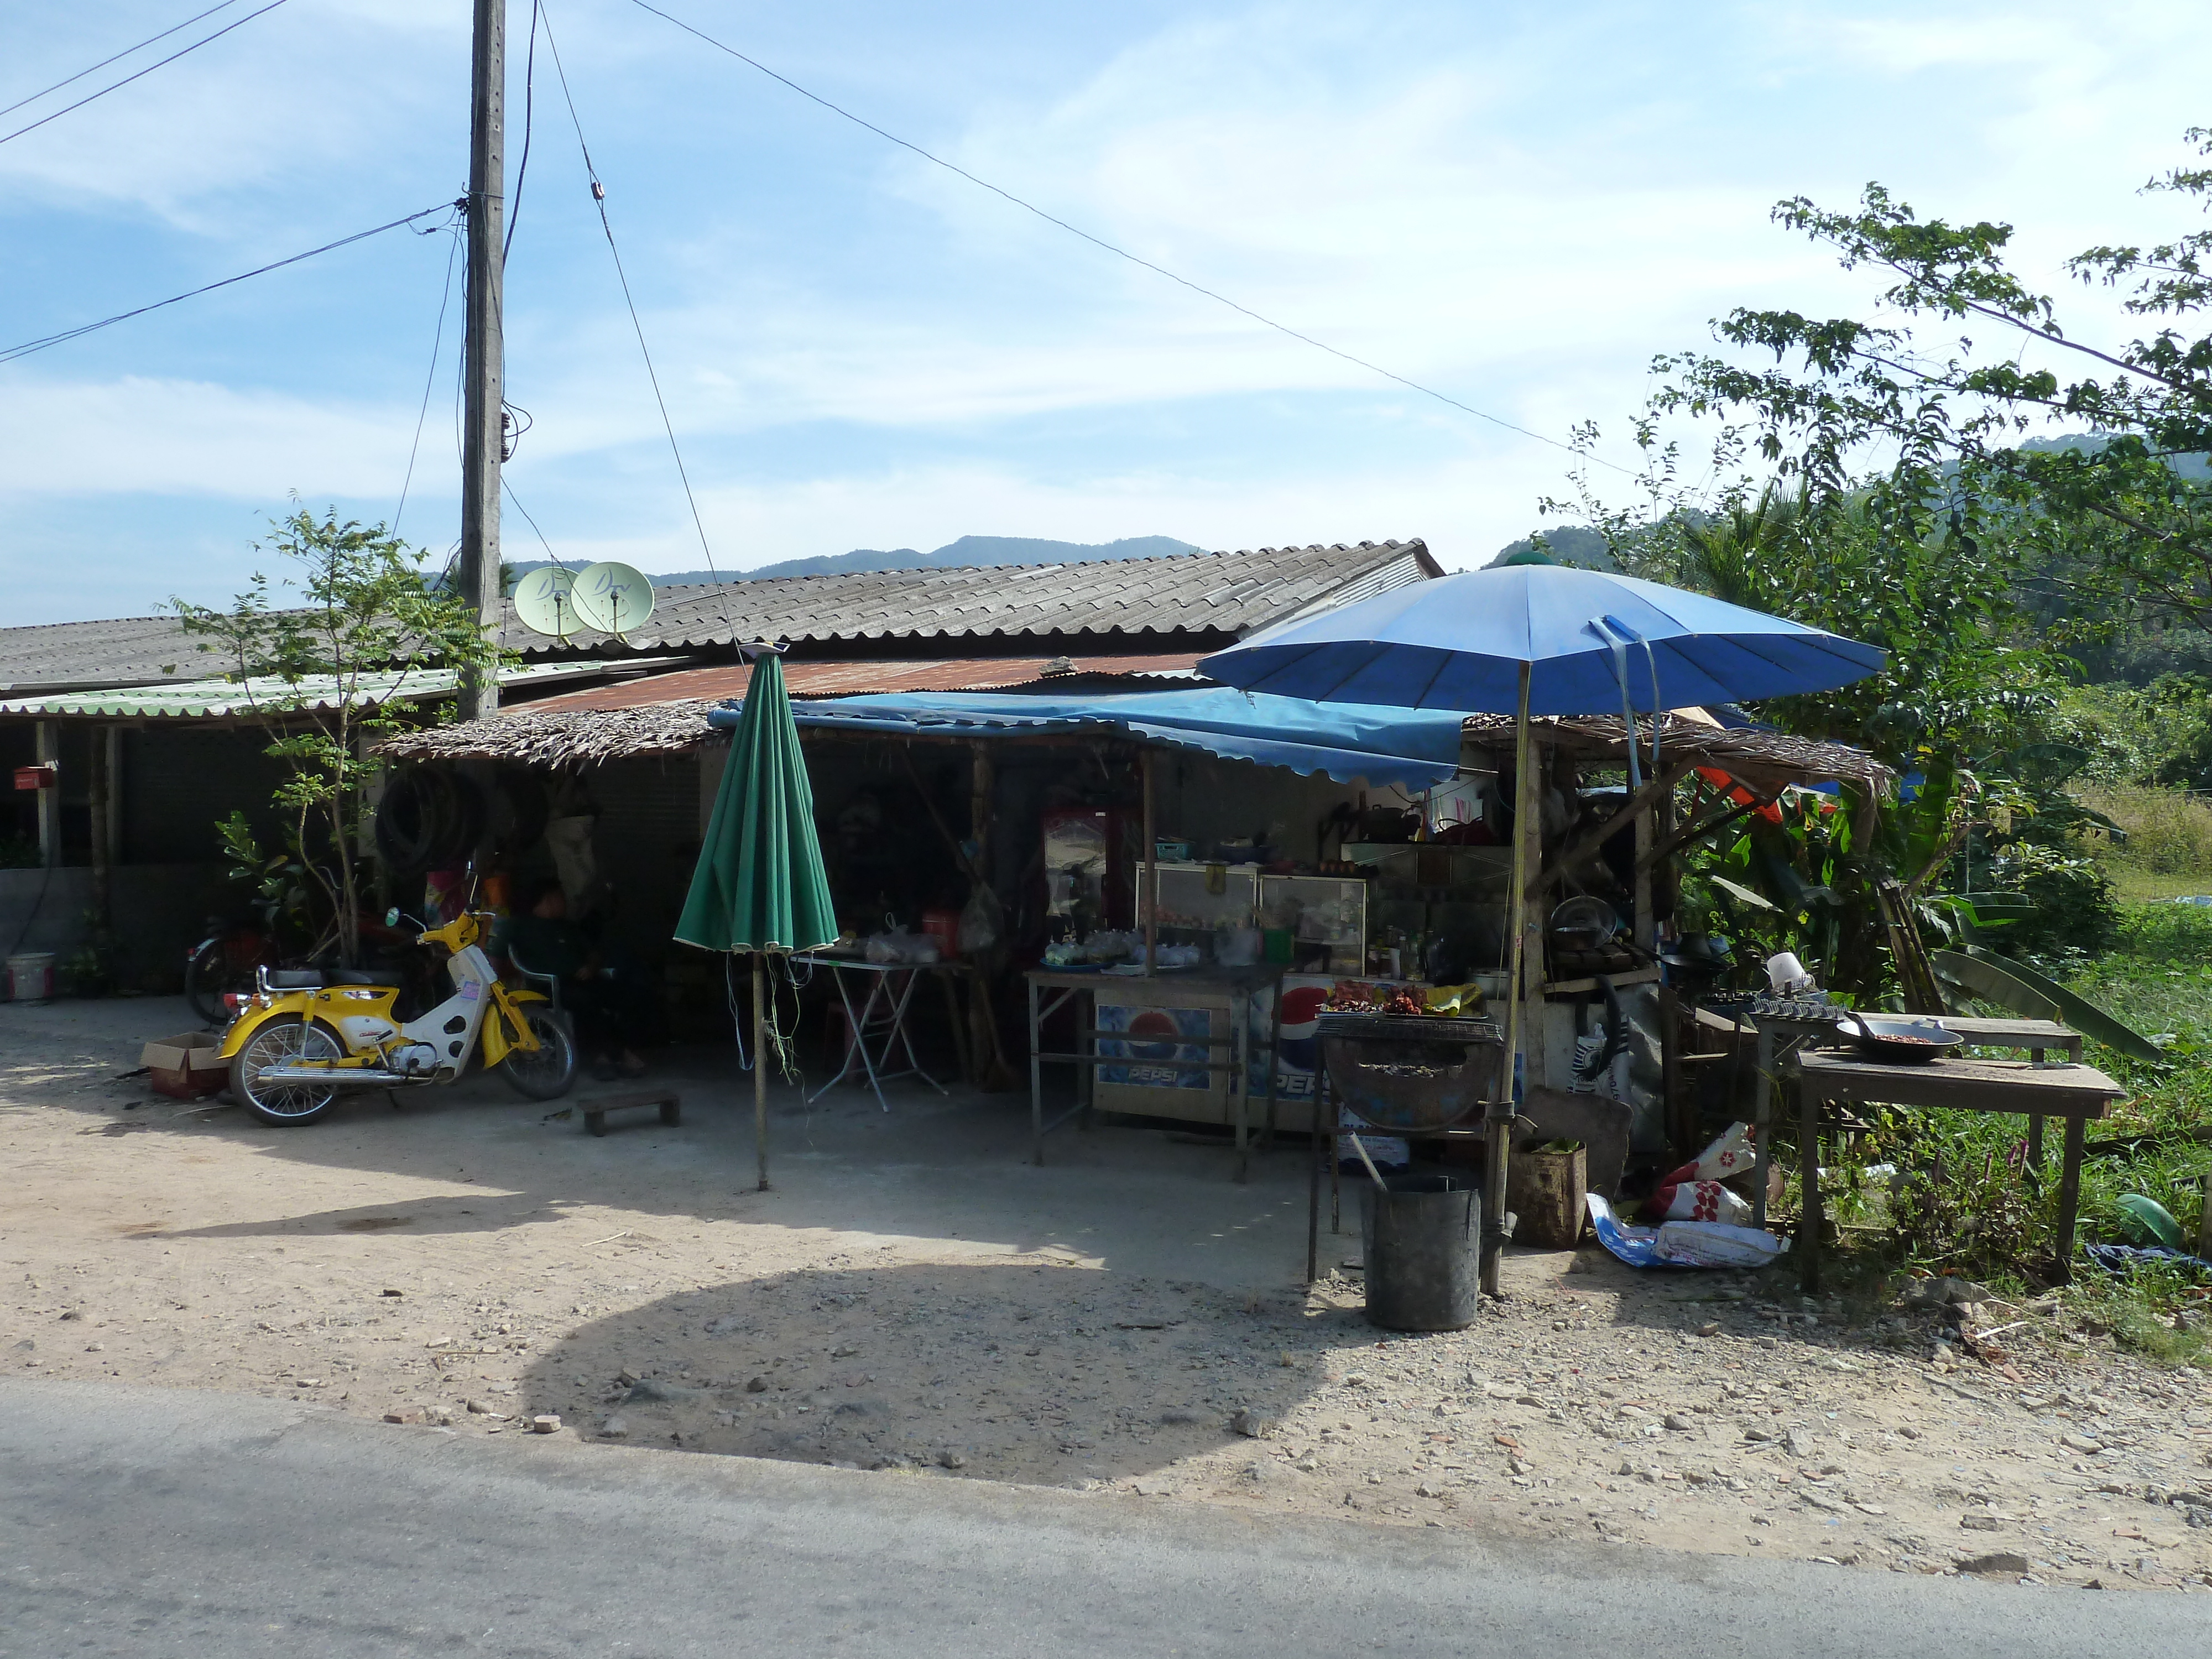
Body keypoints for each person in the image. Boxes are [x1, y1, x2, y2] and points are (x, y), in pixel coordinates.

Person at [497, 878, 650, 1080]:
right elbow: (496, 953)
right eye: (561, 898)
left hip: (584, 980)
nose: (566, 902)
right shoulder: (519, 925)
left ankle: (606, 1056)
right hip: (549, 987)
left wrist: (591, 967)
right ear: (548, 900)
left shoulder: (567, 927)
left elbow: (594, 954)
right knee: (586, 1003)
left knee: (633, 996)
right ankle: (620, 1056)